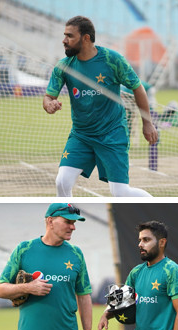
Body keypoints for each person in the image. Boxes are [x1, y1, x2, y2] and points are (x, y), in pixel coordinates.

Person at [43, 16, 158, 197]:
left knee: (120, 192)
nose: (64, 40)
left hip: (112, 135)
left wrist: (147, 123)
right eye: (64, 35)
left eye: (69, 36)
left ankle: (154, 205)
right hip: (81, 135)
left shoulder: (112, 60)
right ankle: (65, 215)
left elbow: (138, 88)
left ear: (86, 38)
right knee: (62, 182)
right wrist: (49, 104)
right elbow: (49, 96)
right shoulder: (63, 67)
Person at [0, 203, 93, 330]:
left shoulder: (76, 254)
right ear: (50, 221)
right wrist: (26, 288)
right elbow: (0, 289)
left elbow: (84, 296)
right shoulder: (25, 249)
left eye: (74, 223)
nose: (72, 227)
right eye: (67, 222)